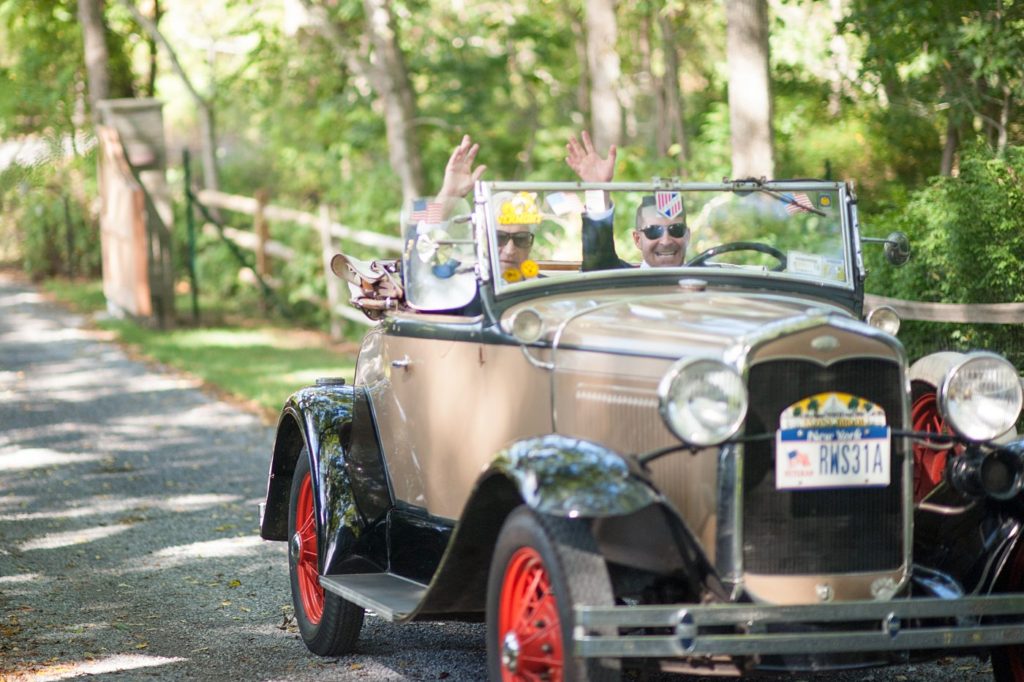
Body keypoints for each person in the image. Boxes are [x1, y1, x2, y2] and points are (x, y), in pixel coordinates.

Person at [565, 131, 690, 269]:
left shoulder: (706, 275)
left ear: (687, 236)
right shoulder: (622, 277)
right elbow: (599, 263)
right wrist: (597, 189)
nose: (666, 241)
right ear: (637, 239)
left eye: (676, 230)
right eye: (653, 231)